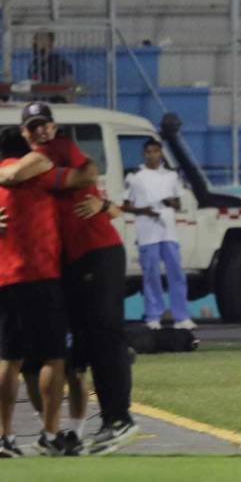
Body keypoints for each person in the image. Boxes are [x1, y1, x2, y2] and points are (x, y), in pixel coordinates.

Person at [15, 102, 137, 454]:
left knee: (103, 335)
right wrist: (104, 204)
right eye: (33, 126)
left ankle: (118, 418)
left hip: (94, 253)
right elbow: (91, 181)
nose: (41, 131)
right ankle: (92, 424)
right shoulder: (40, 162)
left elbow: (87, 173)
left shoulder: (53, 150)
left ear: (54, 127)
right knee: (84, 344)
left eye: (45, 124)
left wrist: (101, 203)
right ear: (24, 132)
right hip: (75, 261)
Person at [0, 127, 96, 457]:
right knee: (54, 357)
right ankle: (50, 433)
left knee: (8, 359)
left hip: (4, 280)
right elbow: (82, 178)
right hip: (41, 276)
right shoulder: (41, 174)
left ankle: (4, 438)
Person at [122, 139, 195, 331]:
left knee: (176, 274)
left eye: (155, 151)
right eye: (148, 152)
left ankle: (181, 316)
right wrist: (144, 211)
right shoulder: (135, 177)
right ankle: (153, 315)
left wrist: (170, 202)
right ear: (144, 154)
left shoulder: (171, 176)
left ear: (161, 153)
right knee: (151, 275)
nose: (152, 155)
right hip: (147, 232)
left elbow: (178, 204)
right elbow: (125, 205)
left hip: (168, 231)